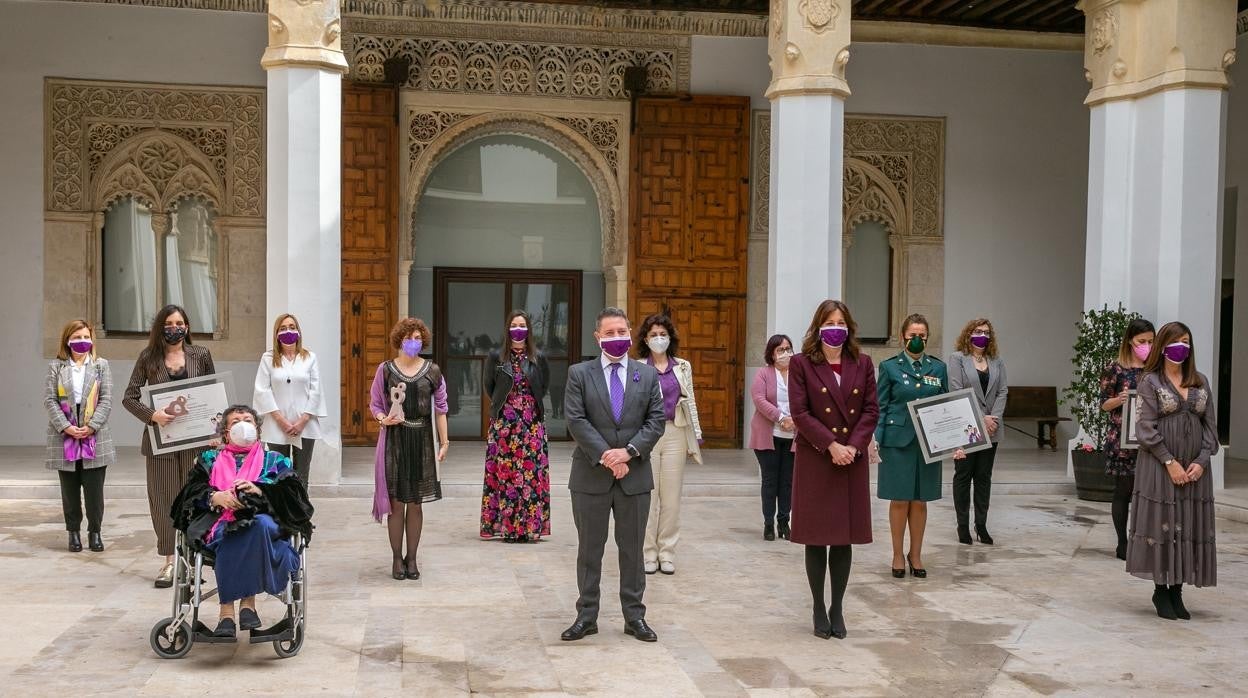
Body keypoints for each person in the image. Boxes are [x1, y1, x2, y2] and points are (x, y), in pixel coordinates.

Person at [560, 307, 665, 644]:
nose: (617, 337)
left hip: (634, 477)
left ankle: (635, 617)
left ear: (631, 333)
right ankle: (586, 616)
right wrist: (608, 455)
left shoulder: (646, 375)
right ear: (598, 337)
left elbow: (656, 421)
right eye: (610, 332)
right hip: (591, 475)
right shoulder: (579, 373)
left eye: (622, 330)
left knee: (632, 550)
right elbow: (575, 420)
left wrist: (629, 452)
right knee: (590, 549)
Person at [171, 405, 313, 638]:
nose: (243, 424)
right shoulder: (209, 459)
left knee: (256, 526)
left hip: (263, 523)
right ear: (226, 432)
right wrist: (215, 497)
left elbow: (297, 501)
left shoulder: (275, 461)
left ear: (257, 429)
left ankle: (227, 611)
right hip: (219, 523)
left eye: (248, 420)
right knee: (243, 529)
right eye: (236, 421)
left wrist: (260, 491)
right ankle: (247, 606)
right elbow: (188, 494)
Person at [788, 300, 879, 639]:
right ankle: (817, 606)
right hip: (817, 458)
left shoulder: (863, 363)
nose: (836, 327)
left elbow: (871, 410)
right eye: (830, 322)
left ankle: (837, 607)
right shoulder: (801, 364)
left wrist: (854, 446)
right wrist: (831, 445)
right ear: (818, 326)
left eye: (841, 321)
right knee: (817, 537)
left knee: (843, 539)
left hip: (851, 460)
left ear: (849, 327)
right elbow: (800, 413)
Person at [1126, 321, 1218, 620]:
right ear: (1163, 346)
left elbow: (1211, 428)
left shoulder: (1200, 381)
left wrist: (1202, 461)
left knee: (1188, 524)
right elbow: (1145, 429)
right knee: (1163, 522)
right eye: (1177, 340)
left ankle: (1177, 591)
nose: (1182, 346)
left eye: (1187, 341)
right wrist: (1170, 461)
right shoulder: (1150, 382)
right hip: (1160, 467)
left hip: (1194, 470)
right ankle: (1160, 590)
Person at [123, 304, 216, 588]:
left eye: (180, 323)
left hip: (194, 441)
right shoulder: (148, 357)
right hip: (160, 442)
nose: (174, 327)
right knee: (163, 500)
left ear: (187, 327)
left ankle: (191, 559)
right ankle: (168, 562)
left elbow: (211, 392)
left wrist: (215, 430)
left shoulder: (201, 355)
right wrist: (152, 416)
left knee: (193, 499)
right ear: (160, 327)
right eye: (169, 323)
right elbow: (129, 397)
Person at [876, 313, 961, 579]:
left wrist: (955, 441)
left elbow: (947, 407)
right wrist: (874, 439)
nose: (917, 339)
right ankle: (897, 555)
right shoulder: (889, 367)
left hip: (929, 441)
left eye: (922, 335)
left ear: (927, 337)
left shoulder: (938, 368)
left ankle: (916, 554)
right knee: (900, 499)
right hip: (897, 440)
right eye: (912, 335)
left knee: (920, 500)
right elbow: (880, 406)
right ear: (903, 336)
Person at [369, 317, 449, 581]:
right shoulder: (386, 369)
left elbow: (441, 409)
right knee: (396, 503)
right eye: (408, 338)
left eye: (417, 338)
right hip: (395, 441)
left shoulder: (433, 371)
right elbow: (376, 404)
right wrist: (383, 420)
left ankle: (412, 558)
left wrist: (445, 441)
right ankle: (396, 558)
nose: (413, 342)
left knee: (415, 503)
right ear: (399, 340)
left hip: (422, 440)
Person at [637, 313, 703, 575]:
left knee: (671, 498)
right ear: (645, 339)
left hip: (675, 430)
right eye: (653, 335)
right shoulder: (639, 367)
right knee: (648, 496)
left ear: (670, 337)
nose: (658, 339)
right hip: (648, 434)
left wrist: (694, 435)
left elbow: (691, 402)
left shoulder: (682, 366)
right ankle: (648, 553)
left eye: (662, 334)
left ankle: (667, 552)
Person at [43, 320, 116, 553]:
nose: (82, 342)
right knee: (70, 490)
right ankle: (73, 532)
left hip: (93, 434)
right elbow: (50, 399)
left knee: (94, 490)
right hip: (65, 435)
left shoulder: (101, 365)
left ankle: (95, 531)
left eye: (86, 337)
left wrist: (92, 426)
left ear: (92, 339)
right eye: (77, 337)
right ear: (67, 340)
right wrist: (65, 426)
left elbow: (106, 398)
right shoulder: (57, 366)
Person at [480, 310, 552, 542]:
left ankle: (529, 527)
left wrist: (527, 407)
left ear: (528, 329)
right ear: (507, 329)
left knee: (530, 474)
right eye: (514, 325)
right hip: (505, 423)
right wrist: (508, 407)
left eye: (522, 325)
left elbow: (544, 386)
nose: (518, 329)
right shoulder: (496, 356)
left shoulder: (538, 357)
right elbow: (489, 387)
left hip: (531, 423)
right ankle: (508, 528)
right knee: (506, 474)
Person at [948, 318, 1009, 545]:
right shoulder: (957, 359)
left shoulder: (997, 361)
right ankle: (963, 525)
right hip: (967, 427)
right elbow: (955, 390)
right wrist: (979, 418)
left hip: (992, 427)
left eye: (985, 332)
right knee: (963, 475)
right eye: (977, 331)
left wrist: (993, 418)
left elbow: (1003, 391)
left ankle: (981, 525)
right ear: (969, 334)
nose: (981, 335)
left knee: (984, 477)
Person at [1099, 318, 1155, 560]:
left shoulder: (1155, 369)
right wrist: (1120, 399)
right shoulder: (1115, 368)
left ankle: (1142, 539)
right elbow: (1103, 404)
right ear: (1130, 341)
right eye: (1142, 341)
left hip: (1150, 440)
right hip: (1123, 439)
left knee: (1147, 493)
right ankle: (1122, 542)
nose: (1147, 346)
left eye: (1151, 342)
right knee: (1123, 491)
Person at [252, 313, 327, 485]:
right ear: (277, 333)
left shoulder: (309, 357)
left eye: (292, 327)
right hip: (276, 425)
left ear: (298, 331)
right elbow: (262, 390)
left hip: (305, 425)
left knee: (301, 476)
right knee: (279, 475)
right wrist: (281, 420)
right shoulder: (268, 358)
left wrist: (303, 420)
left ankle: (301, 511)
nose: (288, 331)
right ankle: (282, 511)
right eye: (283, 328)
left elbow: (316, 390)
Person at [749, 334, 796, 541]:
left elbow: (808, 399)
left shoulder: (799, 374)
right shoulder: (764, 373)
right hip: (768, 435)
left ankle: (784, 521)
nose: (785, 353)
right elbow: (758, 399)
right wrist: (781, 417)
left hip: (794, 436)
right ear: (772, 354)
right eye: (780, 350)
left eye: (788, 349)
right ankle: (768, 522)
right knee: (770, 481)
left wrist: (795, 420)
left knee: (787, 482)